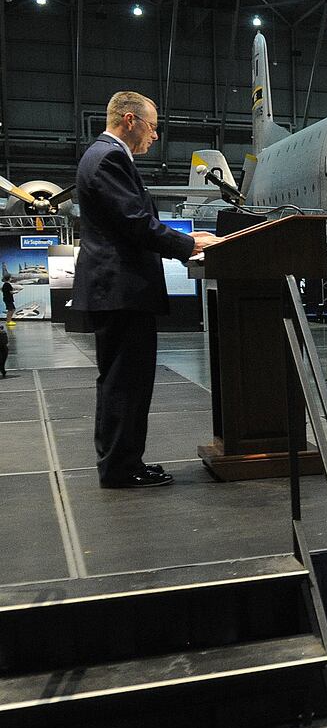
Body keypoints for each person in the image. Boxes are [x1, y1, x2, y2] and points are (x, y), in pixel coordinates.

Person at [72, 90, 221, 489]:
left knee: (125, 382)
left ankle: (125, 462)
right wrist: (190, 244)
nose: (156, 136)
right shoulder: (108, 158)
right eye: (153, 127)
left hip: (120, 291)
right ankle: (120, 468)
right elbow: (135, 223)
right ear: (130, 120)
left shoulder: (105, 156)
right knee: (125, 383)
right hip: (120, 291)